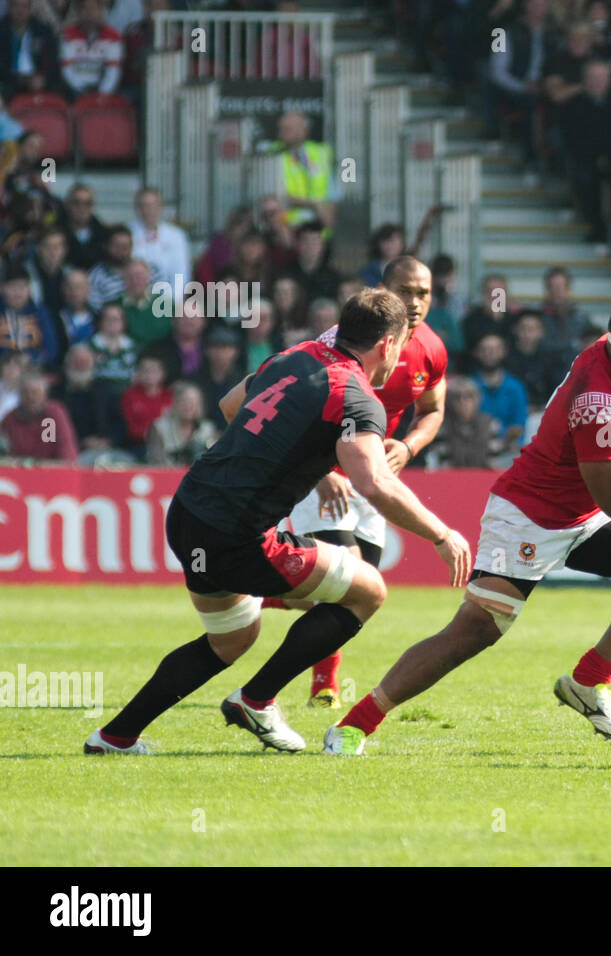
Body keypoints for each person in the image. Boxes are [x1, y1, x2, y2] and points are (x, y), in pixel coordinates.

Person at [323, 290, 611, 755]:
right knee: (471, 634)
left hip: (581, 513)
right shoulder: (597, 402)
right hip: (528, 517)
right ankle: (354, 724)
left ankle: (588, 683)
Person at [85, 289, 470, 756]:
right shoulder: (357, 396)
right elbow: (374, 484)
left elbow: (230, 405)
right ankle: (256, 699)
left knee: (231, 639)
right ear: (388, 344)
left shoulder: (295, 355)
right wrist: (442, 533)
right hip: (238, 536)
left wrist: (311, 463)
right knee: (369, 590)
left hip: (188, 511)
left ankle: (115, 736)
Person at [227, 257, 449, 708]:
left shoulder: (432, 349)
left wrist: (408, 447)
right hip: (326, 476)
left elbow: (432, 410)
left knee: (350, 590)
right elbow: (250, 405)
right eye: (404, 291)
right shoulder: (336, 345)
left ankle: (255, 598)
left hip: (373, 478)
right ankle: (319, 686)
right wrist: (321, 471)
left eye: (423, 293)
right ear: (382, 290)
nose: (414, 302)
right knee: (349, 575)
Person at [268, 111, 339, 234]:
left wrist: (328, 216)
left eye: (288, 129)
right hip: (288, 228)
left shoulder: (321, 153)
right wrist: (314, 204)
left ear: (303, 130)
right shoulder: (272, 154)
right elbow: (273, 195)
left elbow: (333, 195)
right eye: (281, 129)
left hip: (319, 231)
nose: (282, 134)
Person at [0, 369, 76, 460]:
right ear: (19, 395)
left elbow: (67, 454)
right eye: (25, 393)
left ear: (45, 395)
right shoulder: (10, 420)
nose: (30, 397)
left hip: (52, 470)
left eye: (35, 392)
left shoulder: (54, 414)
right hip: (20, 471)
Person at [145, 380, 217, 466]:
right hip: (167, 476)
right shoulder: (159, 427)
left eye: (193, 402)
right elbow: (156, 460)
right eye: (184, 401)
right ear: (176, 403)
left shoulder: (207, 429)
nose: (188, 405)